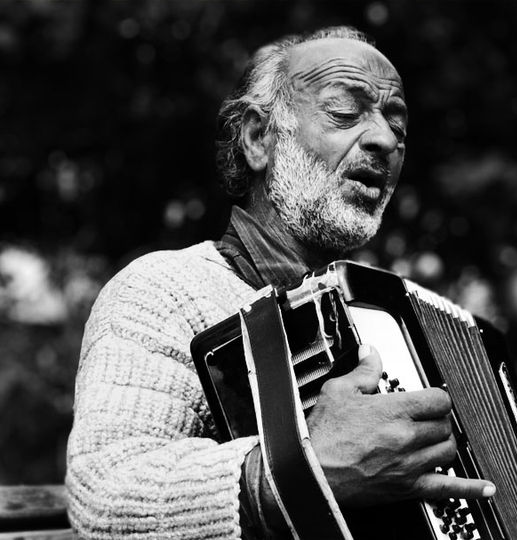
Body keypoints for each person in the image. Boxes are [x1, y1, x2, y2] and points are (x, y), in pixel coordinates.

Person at [66, 26, 495, 539]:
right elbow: (105, 500)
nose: (384, 140)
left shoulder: (384, 320)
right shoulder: (163, 290)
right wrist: (304, 470)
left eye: (397, 127)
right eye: (345, 112)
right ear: (257, 139)